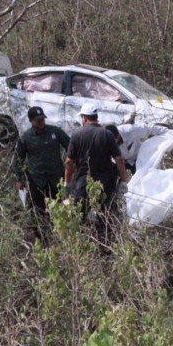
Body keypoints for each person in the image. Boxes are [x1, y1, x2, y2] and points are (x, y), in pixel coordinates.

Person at [64, 103, 128, 247]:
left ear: (84, 118)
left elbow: (69, 162)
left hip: (83, 183)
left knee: (78, 217)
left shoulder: (77, 134)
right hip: (105, 184)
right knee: (104, 217)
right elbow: (119, 159)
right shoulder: (107, 134)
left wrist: (67, 183)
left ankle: (78, 249)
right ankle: (105, 248)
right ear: (96, 118)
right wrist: (124, 181)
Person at [13, 106, 70, 241]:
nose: (41, 123)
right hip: (36, 179)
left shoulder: (55, 132)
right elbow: (18, 159)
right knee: (37, 209)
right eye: (38, 121)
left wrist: (71, 162)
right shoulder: (26, 137)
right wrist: (18, 178)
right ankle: (42, 236)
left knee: (58, 206)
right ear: (31, 121)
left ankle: (60, 234)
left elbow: (71, 145)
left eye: (42, 119)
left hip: (56, 177)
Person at [104, 123, 170, 173]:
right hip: (120, 162)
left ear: (118, 134)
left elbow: (149, 128)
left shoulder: (131, 131)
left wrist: (168, 132)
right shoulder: (103, 141)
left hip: (137, 158)